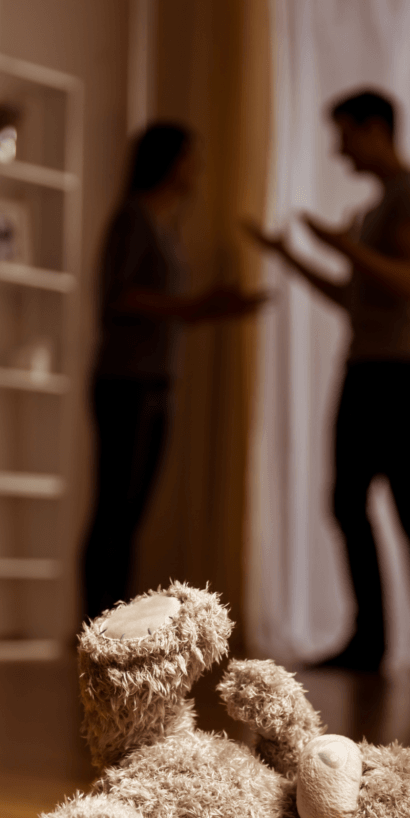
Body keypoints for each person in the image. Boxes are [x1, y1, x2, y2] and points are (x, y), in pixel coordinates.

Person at [243, 89, 410, 680]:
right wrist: (290, 257)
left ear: (374, 129)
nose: (339, 150)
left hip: (401, 369)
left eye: (344, 134)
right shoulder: (377, 208)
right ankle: (370, 641)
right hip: (368, 364)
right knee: (349, 501)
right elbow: (353, 298)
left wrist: (342, 245)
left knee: (408, 501)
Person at [83, 122, 268, 621]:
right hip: (126, 381)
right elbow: (120, 296)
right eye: (190, 157)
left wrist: (215, 309)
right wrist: (193, 305)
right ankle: (98, 619)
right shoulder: (133, 220)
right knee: (116, 507)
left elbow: (174, 310)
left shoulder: (166, 227)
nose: (197, 169)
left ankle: (111, 618)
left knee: (133, 510)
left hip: (157, 382)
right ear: (167, 161)